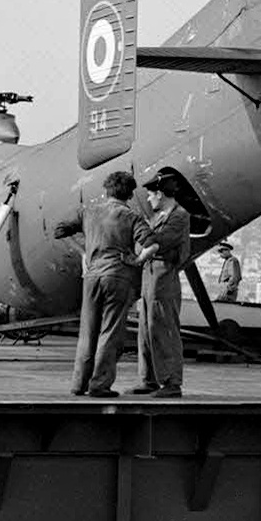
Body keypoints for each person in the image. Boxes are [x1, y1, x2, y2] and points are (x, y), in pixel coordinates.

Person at [54, 171, 157, 398]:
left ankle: (79, 383)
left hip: (92, 277)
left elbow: (59, 230)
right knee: (110, 332)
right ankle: (99, 385)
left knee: (88, 330)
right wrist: (137, 260)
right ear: (130, 194)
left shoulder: (88, 212)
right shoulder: (131, 216)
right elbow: (152, 245)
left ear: (107, 190)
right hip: (118, 277)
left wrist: (84, 253)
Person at [132, 173, 192, 398]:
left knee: (164, 328)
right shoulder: (158, 217)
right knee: (146, 329)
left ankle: (171, 382)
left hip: (164, 277)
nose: (149, 199)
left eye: (151, 195)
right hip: (150, 276)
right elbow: (141, 245)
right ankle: (148, 379)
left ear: (160, 194)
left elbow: (157, 241)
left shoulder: (179, 216)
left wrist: (147, 243)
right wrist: (147, 245)